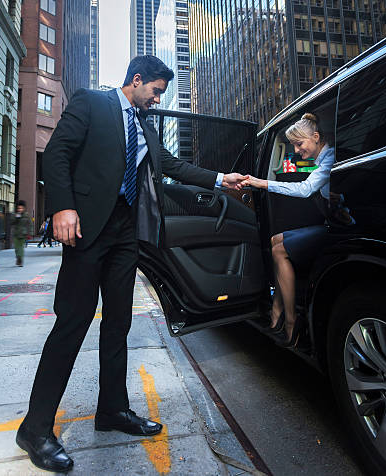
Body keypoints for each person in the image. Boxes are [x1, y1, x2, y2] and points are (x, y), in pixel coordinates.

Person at [16, 55, 245, 473]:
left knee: (119, 322)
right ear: (136, 81)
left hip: (125, 235)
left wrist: (219, 179)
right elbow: (57, 154)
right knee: (72, 323)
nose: (157, 100)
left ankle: (113, 410)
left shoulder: (144, 126)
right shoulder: (91, 103)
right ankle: (34, 429)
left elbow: (173, 167)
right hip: (87, 228)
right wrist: (63, 207)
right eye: (156, 91)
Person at [241, 113, 335, 348]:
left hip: (337, 230)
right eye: (293, 144)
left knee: (279, 251)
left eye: (299, 143)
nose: (296, 149)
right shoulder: (322, 160)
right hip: (332, 224)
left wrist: (261, 182)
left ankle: (292, 321)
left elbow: (305, 190)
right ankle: (276, 311)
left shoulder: (331, 157)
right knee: (275, 240)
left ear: (315, 137)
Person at [11, 200, 32, 266]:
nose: (20, 209)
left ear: (24, 208)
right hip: (16, 234)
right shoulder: (15, 215)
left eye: (21, 208)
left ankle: (20, 260)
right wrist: (16, 218)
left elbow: (30, 225)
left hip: (23, 234)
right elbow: (12, 223)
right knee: (16, 248)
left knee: (21, 248)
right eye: (18, 208)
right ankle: (18, 257)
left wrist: (30, 233)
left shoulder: (27, 215)